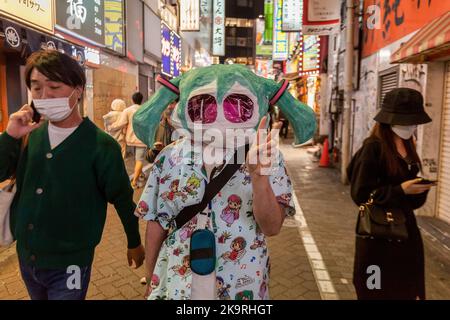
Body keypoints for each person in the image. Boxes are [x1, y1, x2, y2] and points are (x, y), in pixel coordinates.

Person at [132, 65, 316, 300]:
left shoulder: (266, 156)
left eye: (237, 107)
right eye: (203, 107)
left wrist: (259, 180)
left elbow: (272, 228)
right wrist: (151, 278)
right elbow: (157, 223)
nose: (218, 116)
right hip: (178, 285)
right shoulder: (169, 157)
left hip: (241, 287)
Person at [0, 50, 145, 300]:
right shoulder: (29, 135)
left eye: (54, 87)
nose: (44, 96)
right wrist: (10, 135)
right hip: (27, 257)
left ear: (78, 89)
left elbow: (122, 197)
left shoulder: (101, 146)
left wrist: (134, 241)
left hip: (70, 265)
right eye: (36, 88)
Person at [347, 88, 434, 300]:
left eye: (413, 121)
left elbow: (412, 203)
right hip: (377, 238)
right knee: (374, 291)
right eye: (406, 121)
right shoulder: (373, 148)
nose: (411, 126)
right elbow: (361, 195)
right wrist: (400, 190)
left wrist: (418, 189)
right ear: (389, 120)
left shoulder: (409, 146)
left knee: (406, 292)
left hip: (406, 235)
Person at [109, 92, 147, 188]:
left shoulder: (127, 110)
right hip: (141, 138)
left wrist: (111, 127)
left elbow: (121, 123)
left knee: (137, 158)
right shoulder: (145, 109)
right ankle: (137, 178)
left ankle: (136, 179)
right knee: (139, 159)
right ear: (142, 100)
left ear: (132, 100)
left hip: (130, 138)